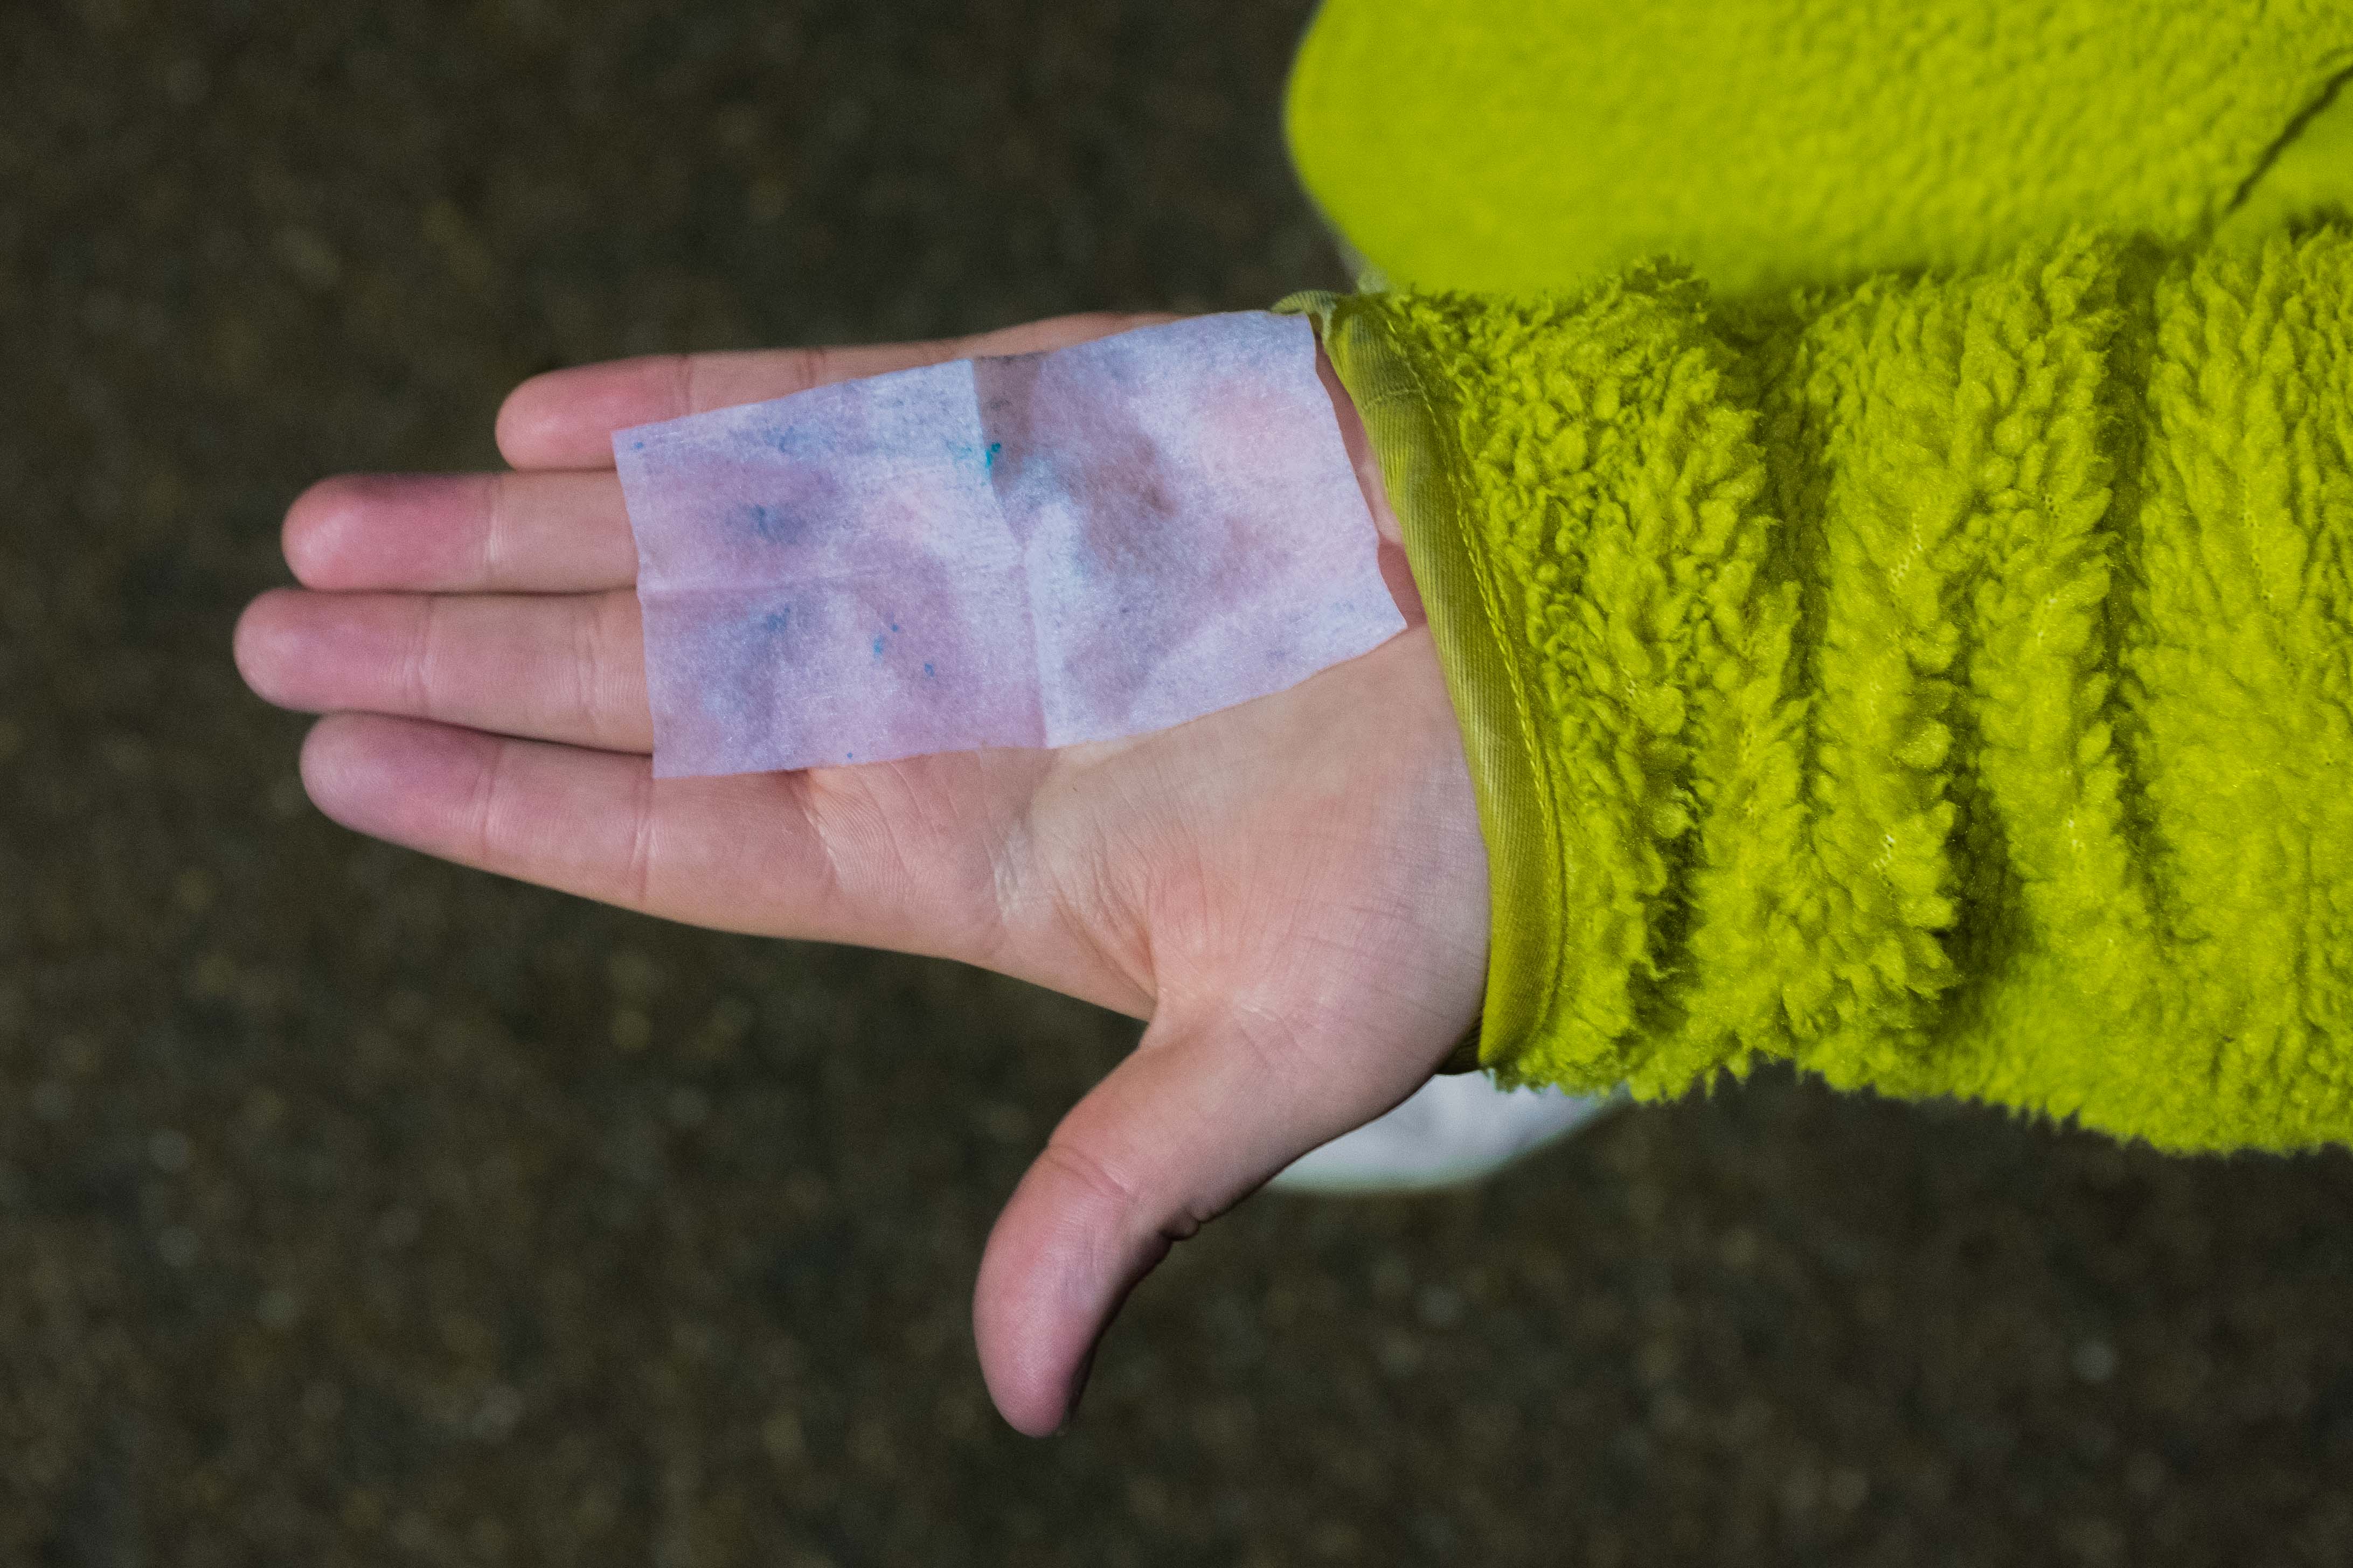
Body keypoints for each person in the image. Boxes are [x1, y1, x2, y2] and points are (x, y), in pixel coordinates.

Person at [233, 0, 2353, 1437]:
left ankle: (1529, 918)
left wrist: (1605, 716)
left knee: (1585, 778)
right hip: (1592, 108)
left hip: (2019, 441)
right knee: (1468, 240)